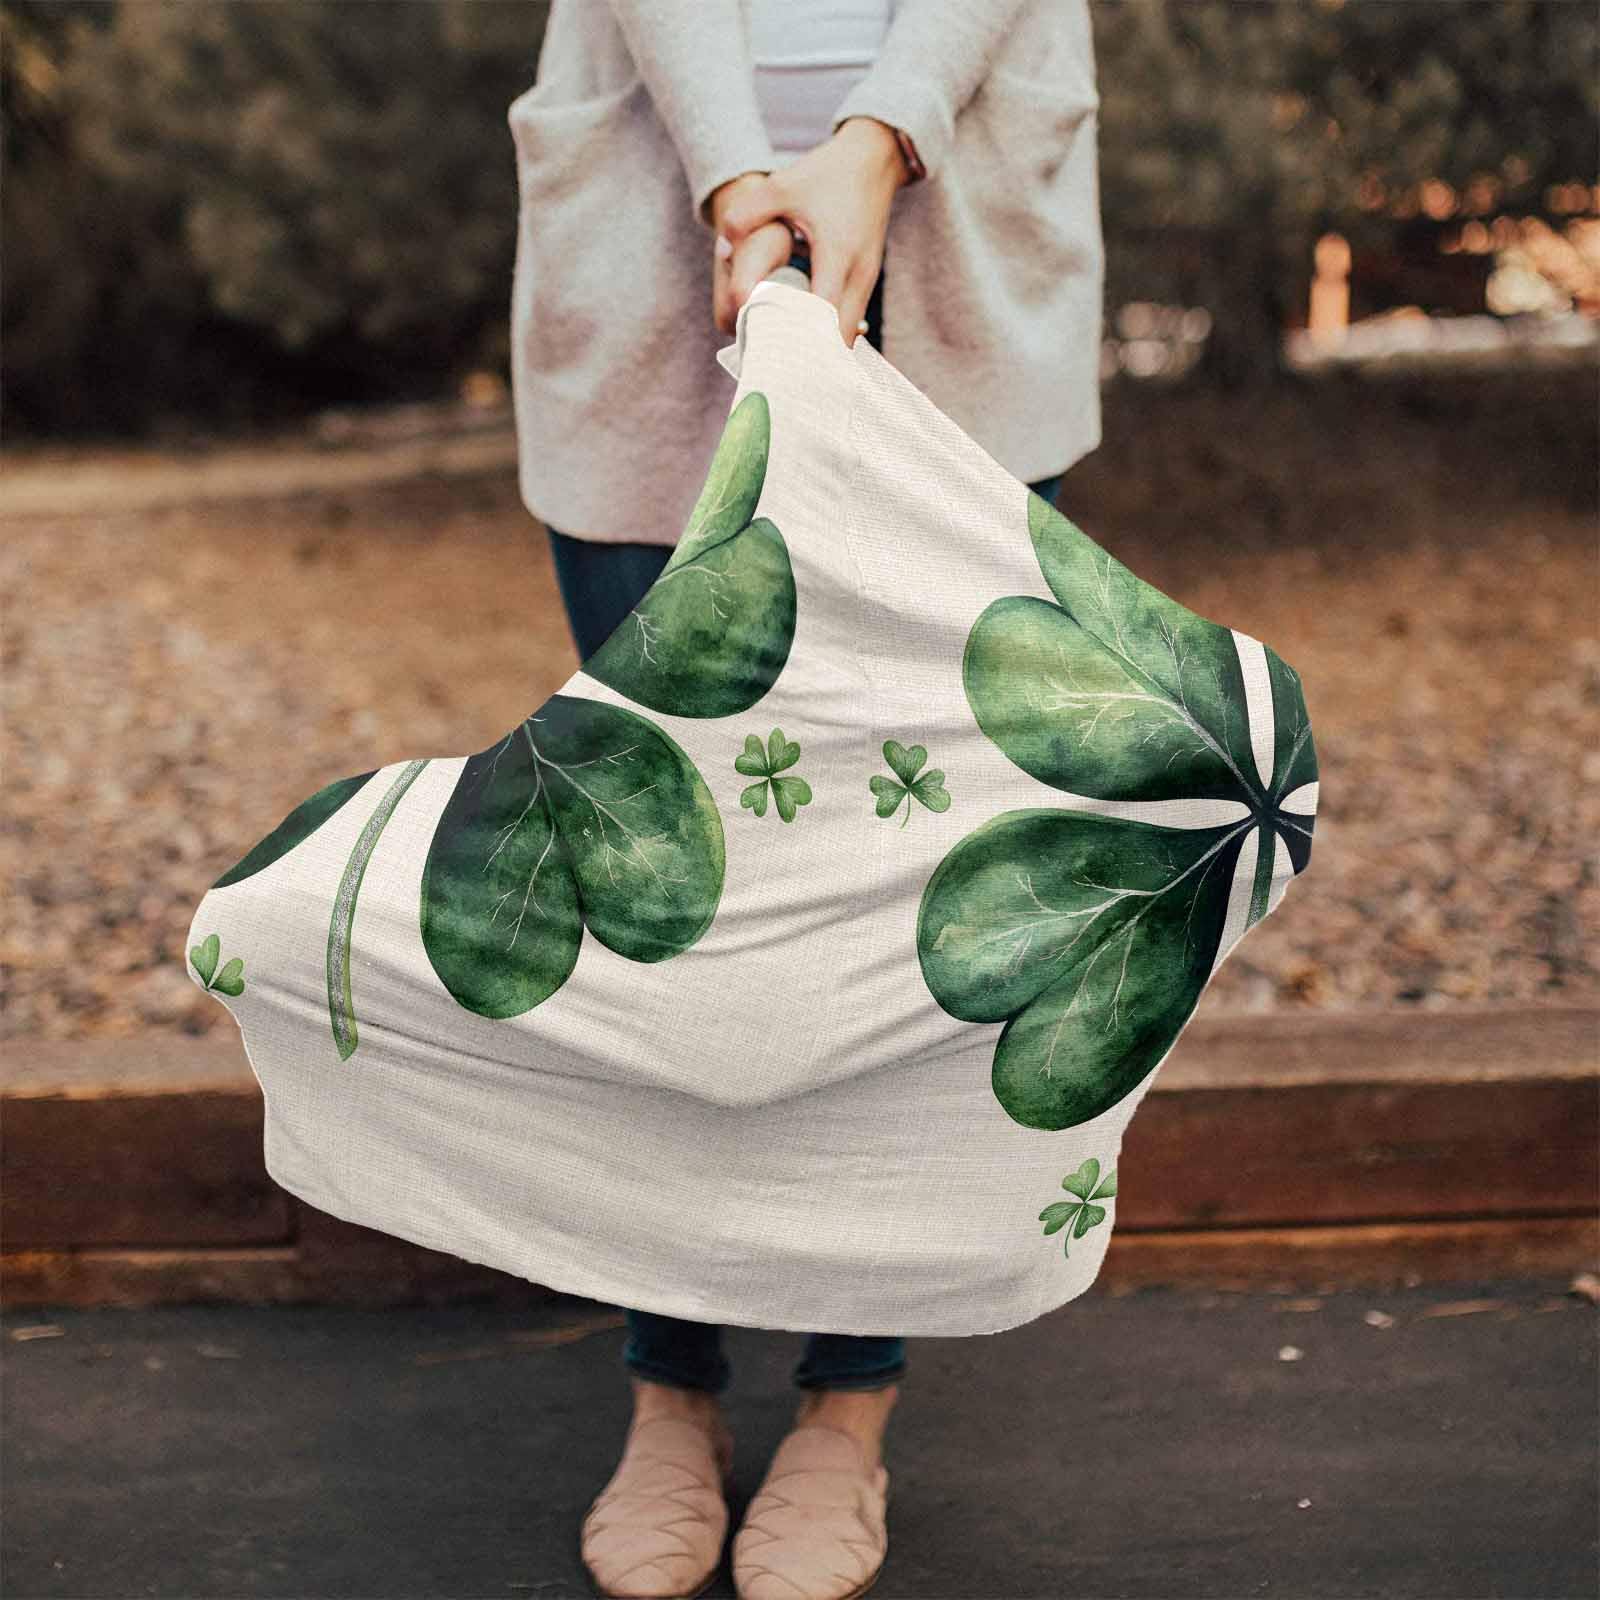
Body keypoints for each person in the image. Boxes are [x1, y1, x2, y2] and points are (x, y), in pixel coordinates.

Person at [506, 3, 1102, 1595]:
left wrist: (878, 136)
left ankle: (849, 1401)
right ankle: (669, 1383)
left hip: (960, 214)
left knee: (914, 872)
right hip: (656, 212)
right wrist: (733, 178)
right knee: (664, 866)